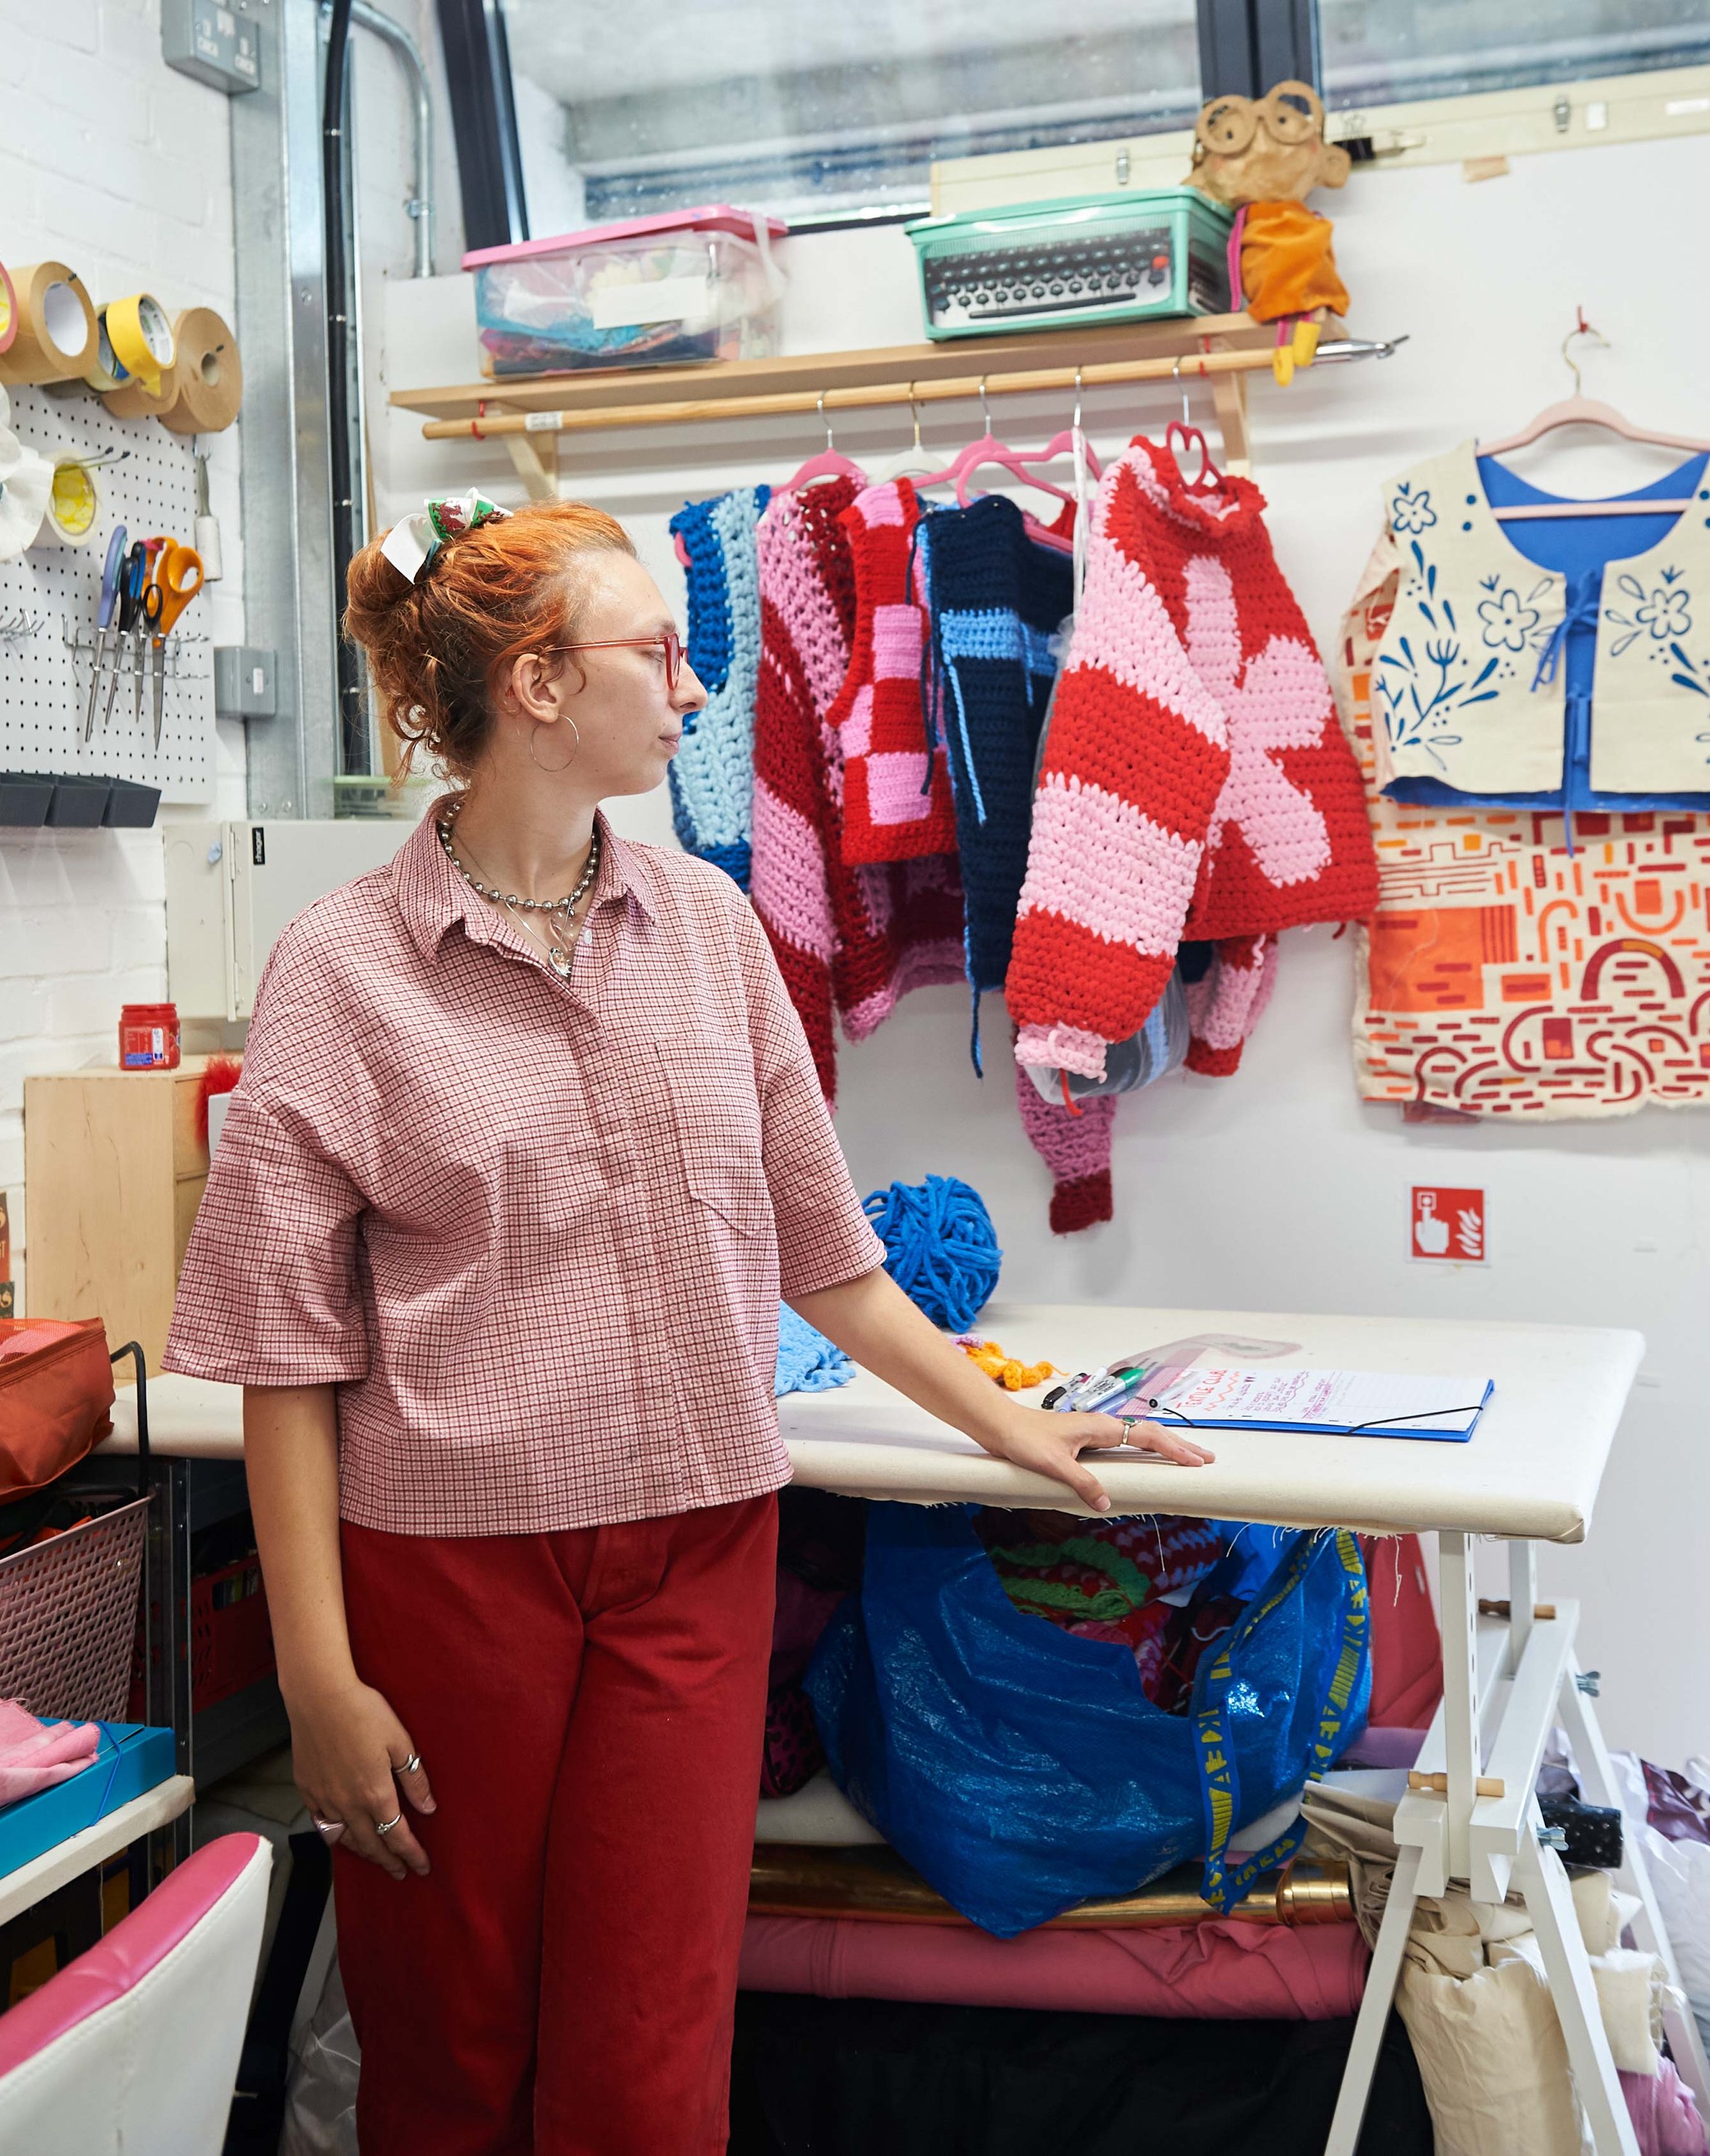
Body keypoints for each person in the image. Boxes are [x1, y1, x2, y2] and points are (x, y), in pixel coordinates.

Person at [164, 491, 1211, 2155]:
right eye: (657, 650)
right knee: (448, 2039)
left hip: (694, 1556)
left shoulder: (711, 934)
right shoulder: (340, 972)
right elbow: (289, 1356)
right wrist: (315, 1677)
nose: (693, 687)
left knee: (650, 2057)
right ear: (533, 684)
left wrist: (1018, 1425)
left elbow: (827, 1254)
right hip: (451, 1572)